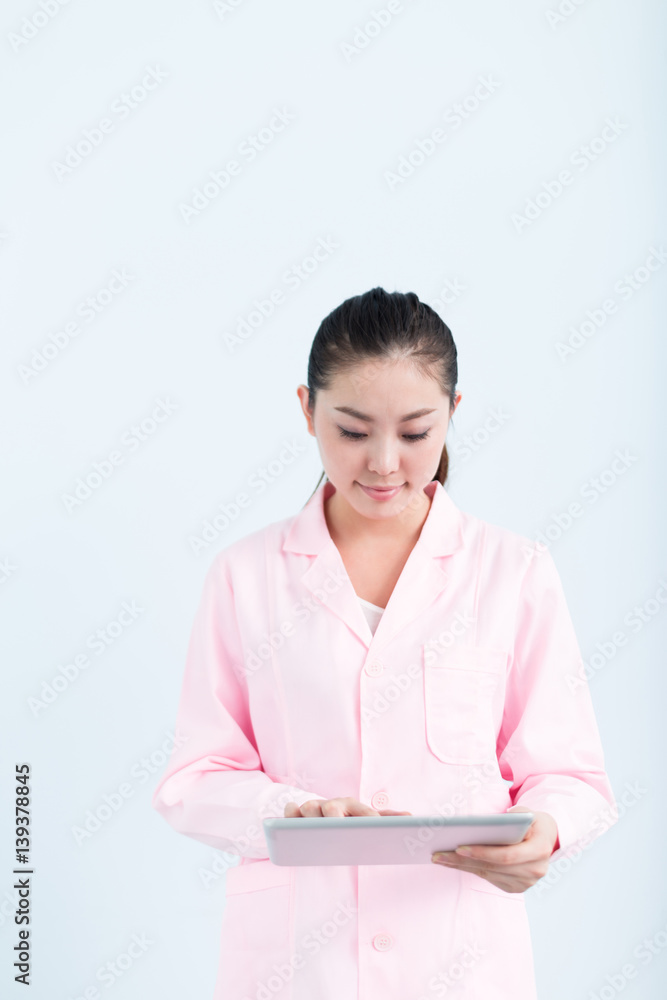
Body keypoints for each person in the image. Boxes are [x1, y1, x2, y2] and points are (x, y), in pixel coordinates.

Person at [152, 287, 618, 999]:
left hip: (459, 959)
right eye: (351, 429)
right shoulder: (246, 575)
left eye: (413, 433)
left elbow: (570, 774)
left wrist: (547, 831)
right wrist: (287, 812)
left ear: (453, 416)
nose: (382, 463)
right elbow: (195, 777)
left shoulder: (512, 571)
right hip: (294, 965)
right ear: (306, 409)